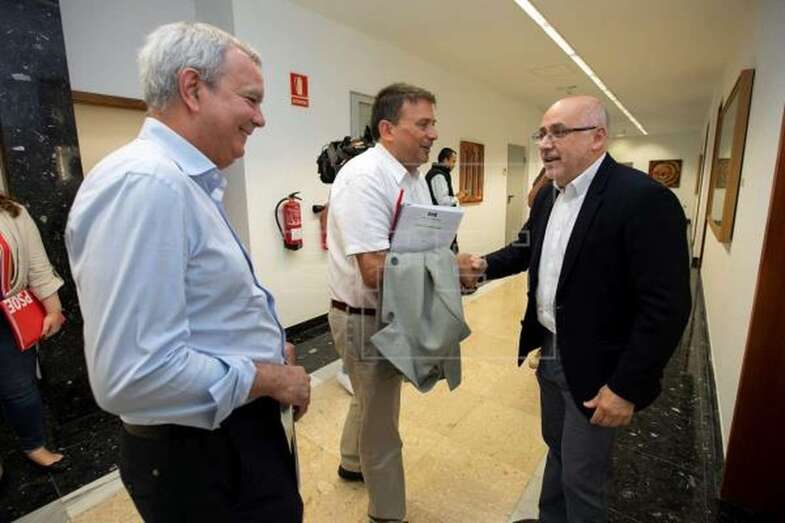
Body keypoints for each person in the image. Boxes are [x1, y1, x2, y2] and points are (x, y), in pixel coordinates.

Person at [66, 22, 310, 522]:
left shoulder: (184, 183)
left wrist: (263, 351)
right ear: (193, 88)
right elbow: (132, 376)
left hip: (223, 439)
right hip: (202, 455)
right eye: (251, 99)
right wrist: (269, 378)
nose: (260, 119)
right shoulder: (145, 184)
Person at [459, 95, 691, 523]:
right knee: (557, 448)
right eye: (542, 133)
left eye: (559, 132)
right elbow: (528, 249)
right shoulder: (550, 195)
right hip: (549, 349)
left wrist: (626, 388)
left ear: (598, 138)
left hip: (599, 367)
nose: (545, 143)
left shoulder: (643, 200)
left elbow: (667, 307)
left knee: (584, 477)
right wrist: (483, 266)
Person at [327, 82, 437, 522]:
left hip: (392, 307)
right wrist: (447, 270)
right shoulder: (363, 178)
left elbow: (420, 240)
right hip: (365, 316)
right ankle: (387, 514)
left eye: (434, 124)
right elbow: (374, 271)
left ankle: (350, 464)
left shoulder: (412, 177)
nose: (432, 134)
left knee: (370, 399)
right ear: (388, 128)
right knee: (382, 424)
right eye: (423, 124)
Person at [0, 194, 66, 471]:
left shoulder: (12, 212)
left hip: (7, 318)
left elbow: (38, 266)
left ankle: (34, 445)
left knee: (20, 390)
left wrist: (53, 309)